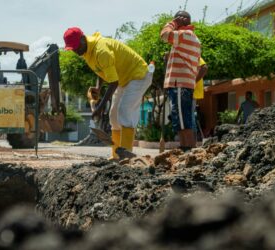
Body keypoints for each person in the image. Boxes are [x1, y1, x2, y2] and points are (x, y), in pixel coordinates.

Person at [63, 27, 153, 159]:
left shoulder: (101, 50)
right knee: (113, 116)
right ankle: (116, 155)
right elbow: (102, 70)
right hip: (124, 79)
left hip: (138, 75)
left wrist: (100, 107)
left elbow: (113, 82)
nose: (76, 51)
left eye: (76, 47)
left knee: (124, 111)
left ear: (83, 39)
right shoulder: (87, 51)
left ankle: (126, 156)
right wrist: (98, 88)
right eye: (73, 49)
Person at [160, 11, 201, 151]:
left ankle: (186, 149)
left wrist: (172, 23)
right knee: (183, 118)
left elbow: (164, 35)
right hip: (184, 84)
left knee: (182, 120)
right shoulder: (192, 37)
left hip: (180, 84)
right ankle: (186, 148)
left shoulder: (185, 35)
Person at [192, 57, 208, 140]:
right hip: (190, 91)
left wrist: (193, 81)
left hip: (192, 91)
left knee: (190, 116)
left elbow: (204, 68)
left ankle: (192, 141)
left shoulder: (195, 56)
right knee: (190, 116)